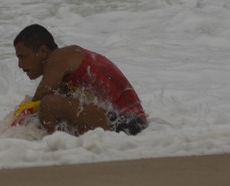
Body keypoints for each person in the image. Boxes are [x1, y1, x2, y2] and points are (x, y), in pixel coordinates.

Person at [12, 23, 147, 135]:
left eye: (23, 57)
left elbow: (39, 99)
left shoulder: (59, 57)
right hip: (126, 123)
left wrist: (12, 127)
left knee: (48, 104)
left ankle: (50, 150)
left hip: (130, 123)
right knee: (53, 108)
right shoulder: (64, 71)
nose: (20, 64)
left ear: (42, 51)